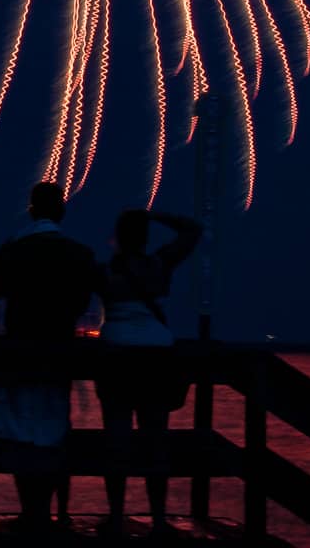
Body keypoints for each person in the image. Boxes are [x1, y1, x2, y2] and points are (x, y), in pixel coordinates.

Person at [0, 182, 97, 531]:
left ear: (32, 210)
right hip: (59, 352)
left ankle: (29, 511)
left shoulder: (16, 249)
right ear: (61, 211)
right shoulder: (80, 253)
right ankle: (49, 513)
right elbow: (83, 301)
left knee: (21, 432)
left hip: (19, 350)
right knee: (53, 430)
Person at [95, 209, 202, 537]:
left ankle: (115, 518)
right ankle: (157, 520)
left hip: (115, 357)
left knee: (117, 439)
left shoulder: (104, 272)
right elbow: (192, 228)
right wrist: (155, 215)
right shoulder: (160, 265)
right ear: (144, 237)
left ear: (118, 237)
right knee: (155, 439)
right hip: (156, 356)